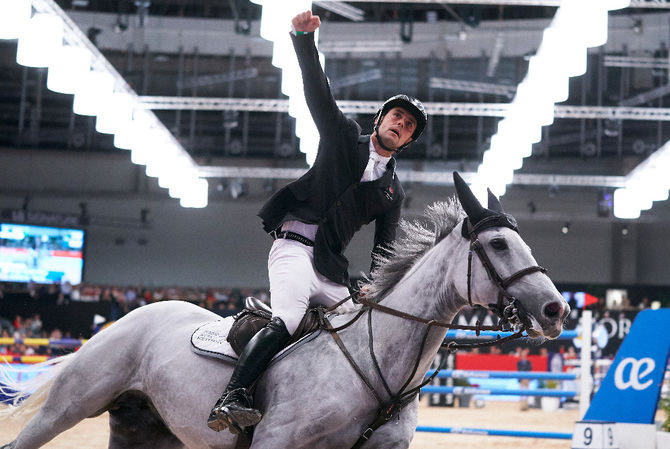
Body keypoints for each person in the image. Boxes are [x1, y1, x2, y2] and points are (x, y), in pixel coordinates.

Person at [207, 9, 427, 434]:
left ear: (409, 141)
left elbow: (386, 249)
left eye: (408, 125)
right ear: (381, 119)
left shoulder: (392, 194)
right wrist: (304, 42)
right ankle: (232, 394)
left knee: (359, 330)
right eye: (396, 116)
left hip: (330, 269)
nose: (400, 123)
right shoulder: (343, 136)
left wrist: (373, 285)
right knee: (287, 318)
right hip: (293, 246)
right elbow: (317, 93)